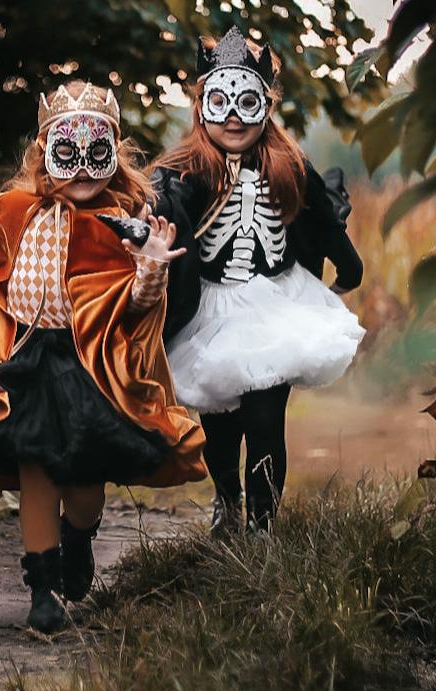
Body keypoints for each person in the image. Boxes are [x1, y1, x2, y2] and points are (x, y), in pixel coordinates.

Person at [0, 80, 205, 633]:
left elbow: (133, 305)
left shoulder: (122, 225)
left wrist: (152, 266)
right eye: (68, 153)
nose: (83, 169)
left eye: (97, 154)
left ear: (113, 157)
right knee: (36, 464)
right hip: (26, 360)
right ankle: (42, 588)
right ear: (45, 153)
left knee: (83, 482)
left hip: (91, 367)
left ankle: (79, 537)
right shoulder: (13, 210)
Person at [151, 26, 365, 536]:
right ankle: (227, 503)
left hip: (274, 305)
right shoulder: (183, 171)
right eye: (219, 102)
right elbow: (159, 214)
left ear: (264, 107)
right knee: (221, 426)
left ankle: (262, 527)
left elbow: (323, 220)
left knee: (266, 420)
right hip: (211, 310)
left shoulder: (288, 166)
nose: (231, 117)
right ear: (202, 105)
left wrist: (349, 268)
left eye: (245, 103)